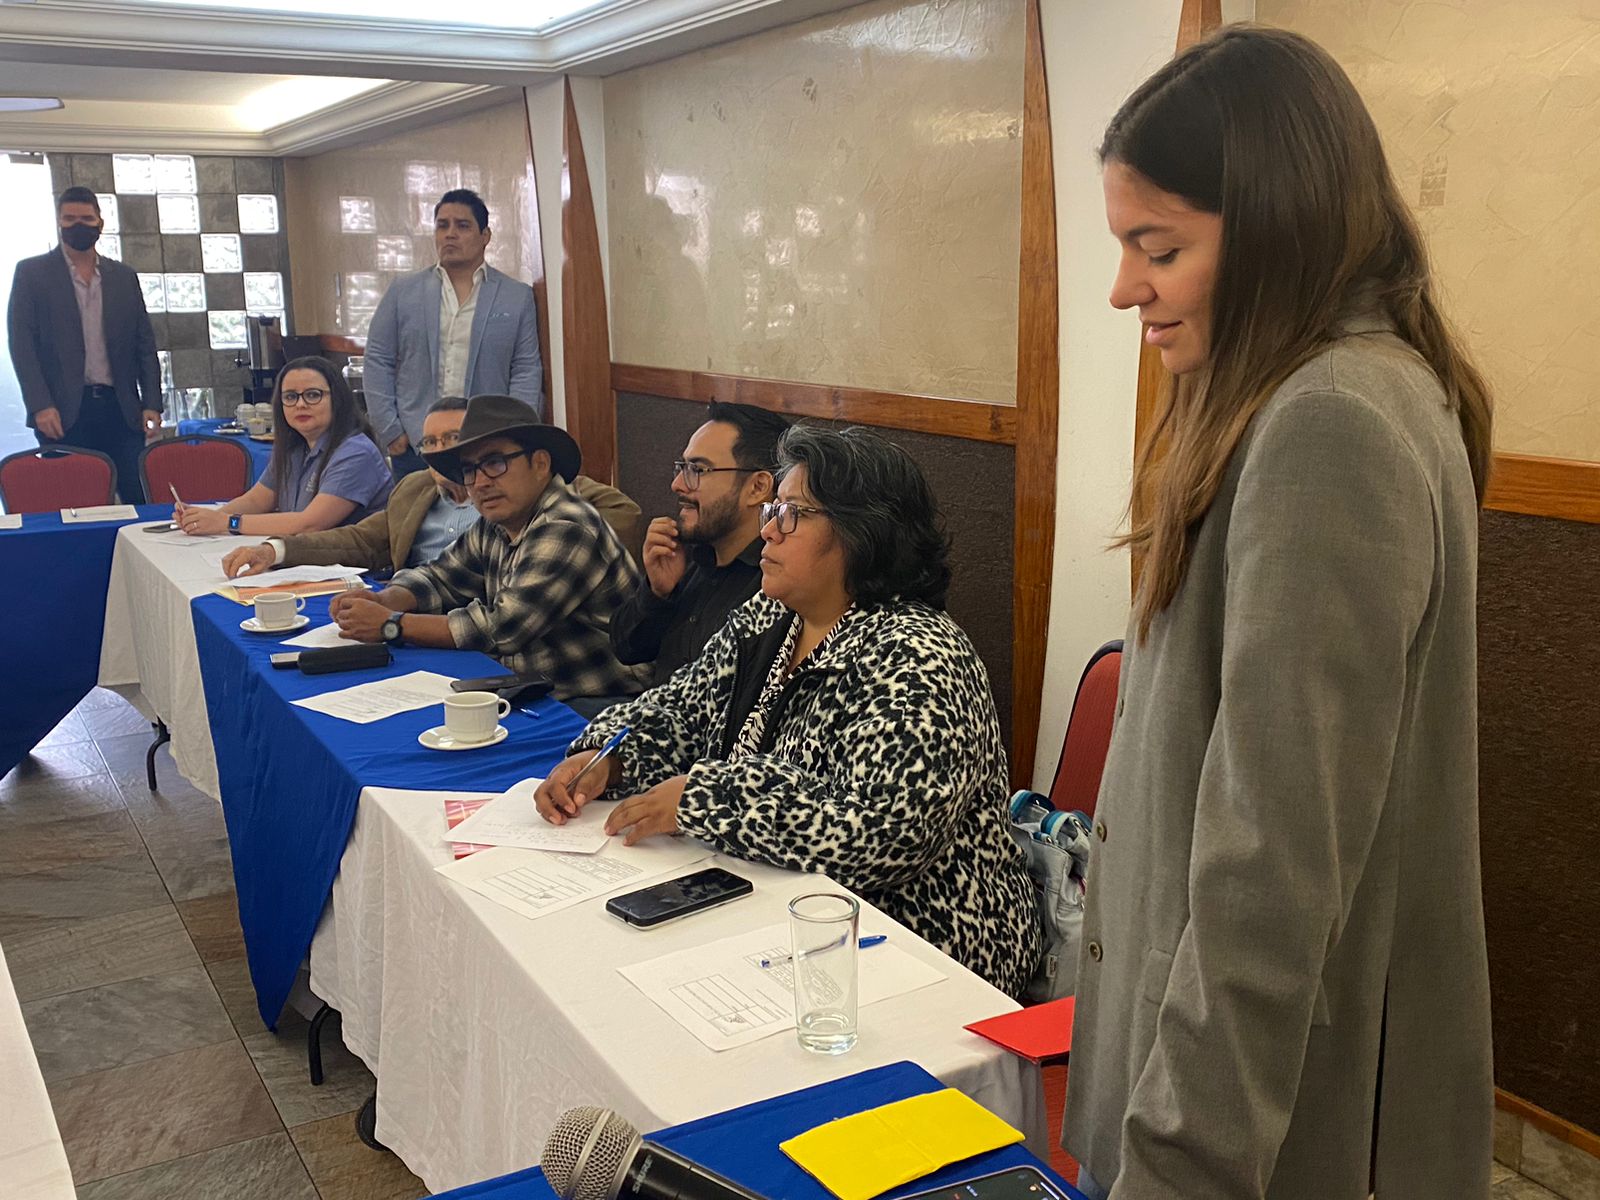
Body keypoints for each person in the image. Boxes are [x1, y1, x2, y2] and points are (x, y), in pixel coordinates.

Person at [1063, 27, 1495, 1200]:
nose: (1124, 288)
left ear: (1274, 230)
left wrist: (1175, 1169)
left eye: (1158, 247)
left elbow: (1270, 875)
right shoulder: (1303, 394)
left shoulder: (1330, 422)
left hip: (1255, 1124)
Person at [534, 426, 1042, 998]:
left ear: (861, 532)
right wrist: (608, 758)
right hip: (783, 908)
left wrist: (707, 801)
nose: (768, 529)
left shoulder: (920, 656)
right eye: (773, 508)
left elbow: (881, 836)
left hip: (924, 943)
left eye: (792, 514)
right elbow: (679, 709)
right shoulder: (772, 616)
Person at [326, 394, 647, 703]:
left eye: (495, 463)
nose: (480, 482)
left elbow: (502, 628)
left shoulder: (566, 525)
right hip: (528, 685)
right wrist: (384, 599)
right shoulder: (499, 521)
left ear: (540, 464)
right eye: (470, 470)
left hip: (598, 700)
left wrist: (390, 623)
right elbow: (440, 577)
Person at [220, 395, 643, 579]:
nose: (442, 451)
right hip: (426, 608)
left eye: (453, 439)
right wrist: (276, 550)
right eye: (431, 443)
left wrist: (549, 540)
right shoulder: (414, 490)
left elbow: (623, 514)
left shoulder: (529, 494)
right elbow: (359, 540)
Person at [363, 188, 542, 479]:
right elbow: (377, 359)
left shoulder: (516, 297)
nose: (450, 234)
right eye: (442, 225)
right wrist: (390, 430)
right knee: (416, 510)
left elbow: (525, 369)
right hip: (417, 444)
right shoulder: (403, 291)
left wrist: (516, 432)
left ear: (485, 236)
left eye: (462, 226)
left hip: (487, 446)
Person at [611, 401, 790, 686]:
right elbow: (627, 650)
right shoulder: (693, 555)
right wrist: (658, 593)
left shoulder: (777, 585)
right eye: (682, 467)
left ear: (757, 487)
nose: (677, 484)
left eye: (698, 470)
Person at [7, 186, 162, 503]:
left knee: (137, 498)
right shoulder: (32, 273)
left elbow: (144, 344)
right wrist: (40, 404)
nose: (78, 225)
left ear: (100, 223)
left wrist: (152, 402)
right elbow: (22, 346)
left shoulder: (123, 277)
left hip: (121, 409)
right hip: (62, 413)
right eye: (70, 219)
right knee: (72, 501)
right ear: (59, 222)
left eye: (86, 219)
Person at [176, 357, 391, 537]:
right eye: (290, 397)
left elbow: (310, 525)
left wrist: (226, 522)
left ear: (337, 399)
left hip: (353, 568)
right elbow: (257, 500)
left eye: (313, 395)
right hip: (306, 558)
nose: (300, 404)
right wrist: (204, 518)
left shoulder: (356, 452)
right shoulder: (294, 447)